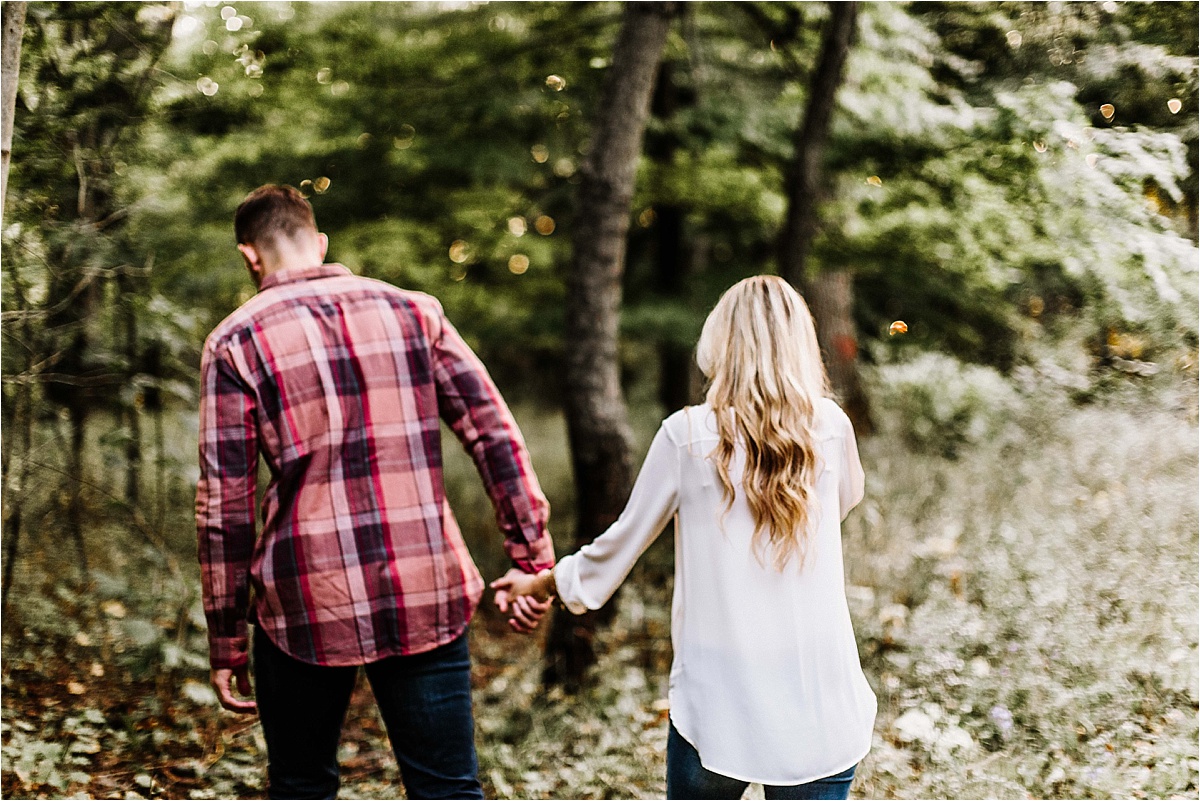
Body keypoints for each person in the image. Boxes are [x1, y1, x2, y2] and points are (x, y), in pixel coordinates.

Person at [195, 184, 554, 800]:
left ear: (249, 256)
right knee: (447, 789)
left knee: (303, 786)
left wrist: (227, 637)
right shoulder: (416, 313)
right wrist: (532, 557)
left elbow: (224, 508)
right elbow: (493, 434)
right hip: (423, 587)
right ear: (321, 242)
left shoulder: (235, 342)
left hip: (305, 604)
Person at [492, 275, 877, 800]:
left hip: (720, 699)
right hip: (818, 692)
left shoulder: (688, 435)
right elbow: (841, 506)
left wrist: (538, 585)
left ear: (722, 343)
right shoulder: (830, 428)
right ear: (801, 344)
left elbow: (614, 551)